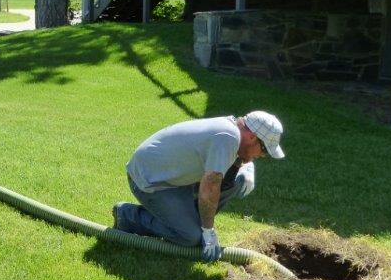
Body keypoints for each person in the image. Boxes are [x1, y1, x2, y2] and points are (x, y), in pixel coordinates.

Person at [112, 111, 284, 262]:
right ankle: (127, 216)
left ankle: (190, 220)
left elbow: (226, 166)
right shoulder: (228, 137)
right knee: (189, 237)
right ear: (252, 137)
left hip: (176, 178)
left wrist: (247, 167)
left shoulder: (231, 131)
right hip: (150, 181)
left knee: (237, 181)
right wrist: (208, 232)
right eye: (264, 150)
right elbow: (210, 186)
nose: (262, 155)